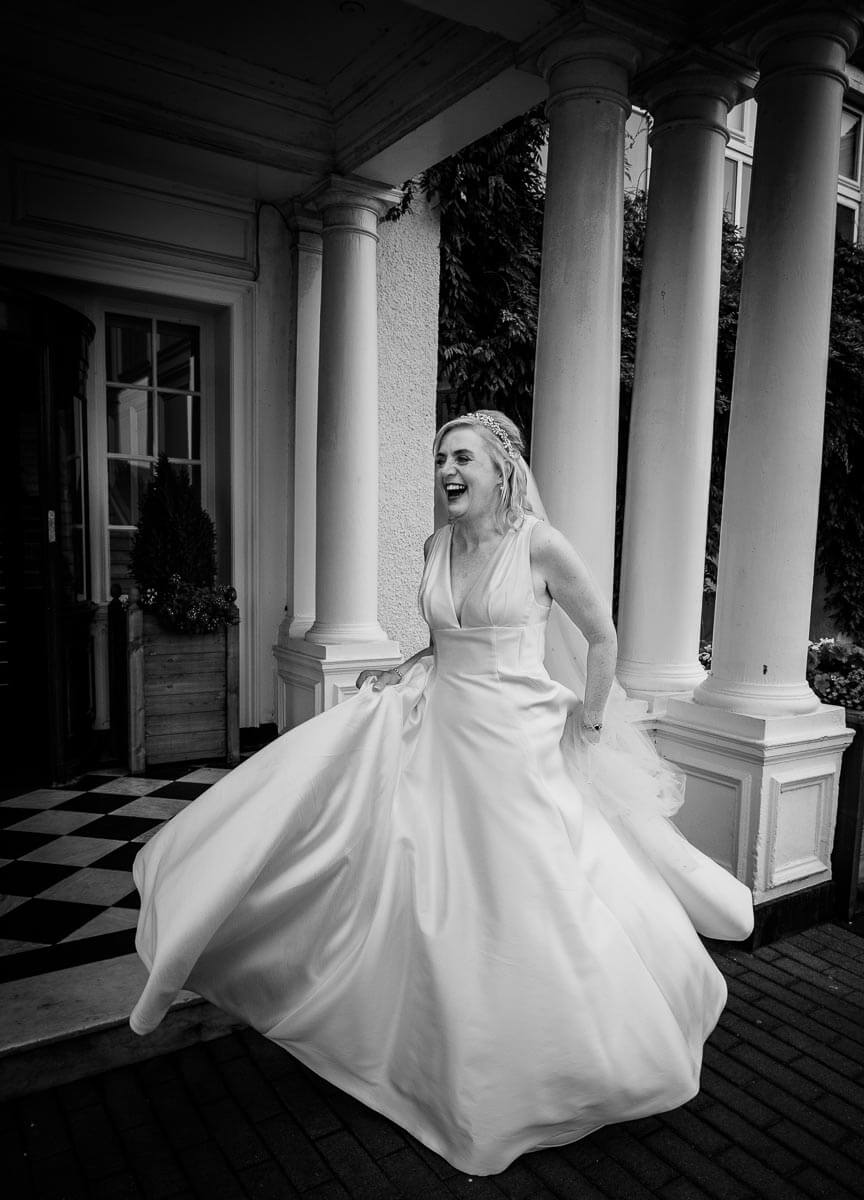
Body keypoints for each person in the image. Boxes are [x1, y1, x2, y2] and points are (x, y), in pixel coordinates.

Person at [130, 409, 753, 1177]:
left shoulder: (540, 545)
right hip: (443, 734)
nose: (446, 471)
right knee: (426, 886)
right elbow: (445, 639)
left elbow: (602, 638)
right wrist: (405, 668)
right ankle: (426, 1050)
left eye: (462, 457)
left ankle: (566, 1061)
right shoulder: (435, 546)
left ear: (502, 470)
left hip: (519, 745)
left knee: (530, 893)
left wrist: (591, 720)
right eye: (439, 458)